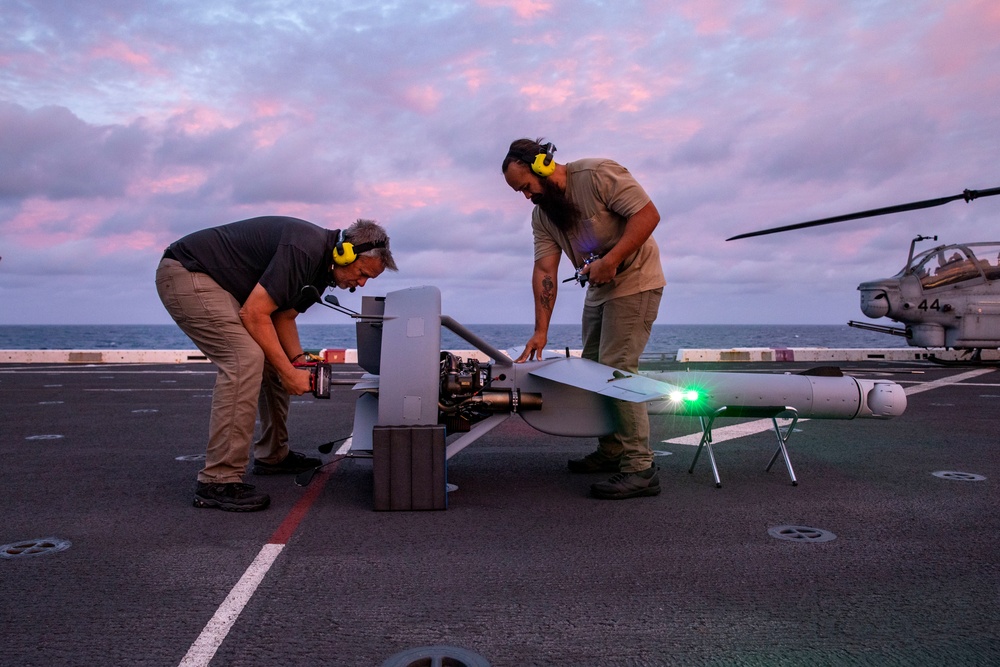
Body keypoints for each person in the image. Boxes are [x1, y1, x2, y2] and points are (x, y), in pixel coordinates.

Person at [156, 216, 397, 512]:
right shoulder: (303, 250)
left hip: (220, 286)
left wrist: (296, 363)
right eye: (362, 274)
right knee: (244, 359)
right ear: (344, 253)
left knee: (274, 362)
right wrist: (288, 373)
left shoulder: (322, 269)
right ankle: (217, 481)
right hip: (187, 273)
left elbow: (283, 316)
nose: (359, 285)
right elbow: (255, 314)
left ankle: (273, 455)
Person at [501, 138, 665, 500]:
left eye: (526, 187)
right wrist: (540, 331)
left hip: (636, 282)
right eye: (520, 192)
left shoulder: (596, 174)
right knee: (594, 371)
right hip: (599, 289)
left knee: (618, 369)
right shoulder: (542, 215)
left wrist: (611, 260)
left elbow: (648, 214)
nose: (527, 196)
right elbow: (545, 270)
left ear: (542, 167)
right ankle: (612, 452)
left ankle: (640, 468)